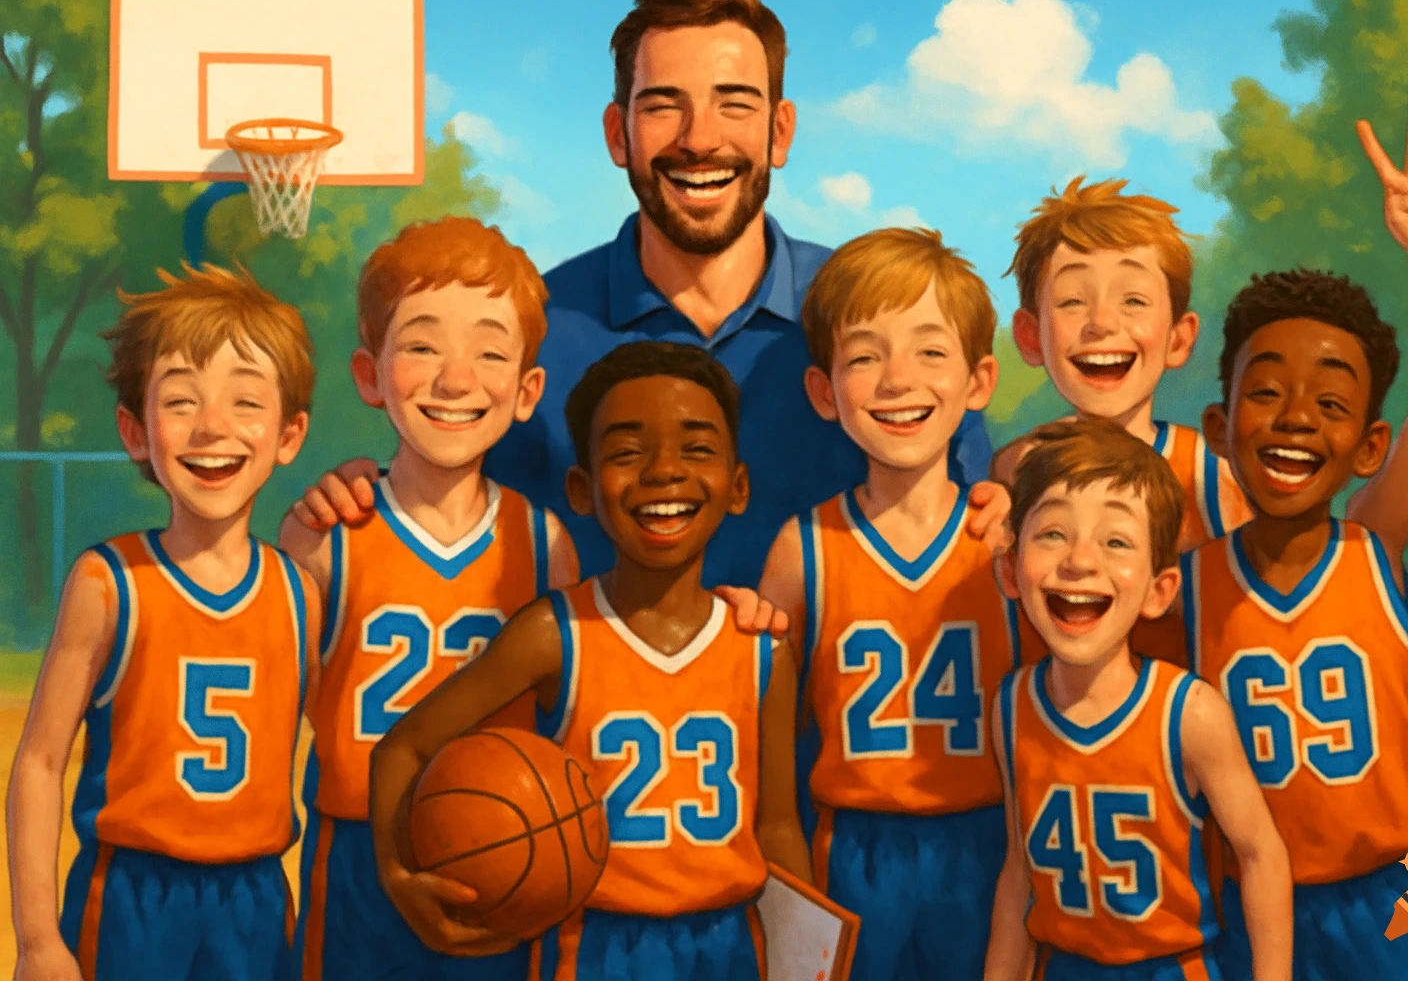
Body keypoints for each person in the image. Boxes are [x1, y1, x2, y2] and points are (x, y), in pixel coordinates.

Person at [286, 0, 1008, 594]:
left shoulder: (880, 322)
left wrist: (1022, 493)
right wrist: (361, 493)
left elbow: (980, 509)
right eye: (664, 104)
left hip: (824, 757)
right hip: (597, 752)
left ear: (780, 133)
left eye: (735, 103)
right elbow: (449, 500)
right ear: (618, 133)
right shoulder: (534, 324)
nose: (699, 137)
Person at [369, 341, 812, 980]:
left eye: (697, 449)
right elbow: (402, 748)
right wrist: (396, 872)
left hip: (731, 942)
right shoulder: (555, 632)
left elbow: (775, 828)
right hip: (595, 945)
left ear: (737, 486)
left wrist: (801, 955)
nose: (664, 472)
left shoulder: (764, 651)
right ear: (581, 488)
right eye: (628, 452)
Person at [1185, 107, 1408, 980]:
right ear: (1220, 426)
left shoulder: (1371, 550)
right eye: (1266, 393)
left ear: (1369, 448)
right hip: (1239, 904)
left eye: (1332, 404)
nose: (1298, 417)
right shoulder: (1183, 586)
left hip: (1383, 903)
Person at [277, 218, 580, 980]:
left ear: (526, 390)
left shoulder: (545, 547)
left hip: (505, 852)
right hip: (351, 859)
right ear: (370, 375)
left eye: (489, 351)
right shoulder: (323, 537)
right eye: (421, 346)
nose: (455, 379)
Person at [7, 265, 320, 981]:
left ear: (289, 433)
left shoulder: (300, 594)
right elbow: (40, 762)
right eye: (181, 400)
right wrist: (35, 938)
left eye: (246, 401)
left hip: (257, 895)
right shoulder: (109, 583)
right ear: (135, 429)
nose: (212, 426)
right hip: (130, 896)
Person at [756, 227, 1019, 981]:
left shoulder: (1006, 540)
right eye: (865, 356)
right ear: (823, 390)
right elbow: (771, 748)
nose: (897, 379)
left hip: (989, 846)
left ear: (977, 381)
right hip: (854, 852)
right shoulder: (802, 549)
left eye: (930, 352)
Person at [985, 416, 1292, 981]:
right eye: (1052, 532)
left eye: (1117, 541)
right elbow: (1019, 873)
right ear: (1010, 568)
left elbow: (1260, 854)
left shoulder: (1189, 714)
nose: (1079, 560)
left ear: (1159, 590)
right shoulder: (1011, 704)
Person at [989, 178, 1249, 666]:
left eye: (1133, 300)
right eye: (1071, 301)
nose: (1101, 323)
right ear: (1029, 335)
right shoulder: (1017, 468)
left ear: (1177, 336)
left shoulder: (1211, 475)